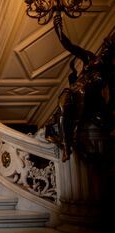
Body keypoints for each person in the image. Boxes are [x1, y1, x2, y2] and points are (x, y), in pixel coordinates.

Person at [44, 14, 115, 162]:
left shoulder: (108, 72)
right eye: (105, 46)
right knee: (63, 103)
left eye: (108, 49)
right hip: (74, 91)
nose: (104, 50)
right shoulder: (90, 58)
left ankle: (75, 132)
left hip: (89, 99)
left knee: (83, 93)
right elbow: (68, 44)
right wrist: (58, 27)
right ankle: (66, 145)